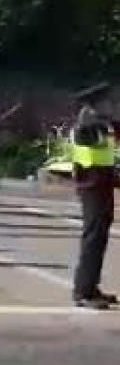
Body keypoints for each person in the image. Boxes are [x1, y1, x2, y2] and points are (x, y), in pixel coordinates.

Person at [69, 83, 117, 310]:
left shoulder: (101, 124)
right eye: (107, 101)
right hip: (92, 186)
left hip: (102, 186)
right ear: (96, 104)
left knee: (99, 237)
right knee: (93, 238)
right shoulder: (87, 126)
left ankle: (91, 287)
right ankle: (84, 292)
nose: (112, 105)